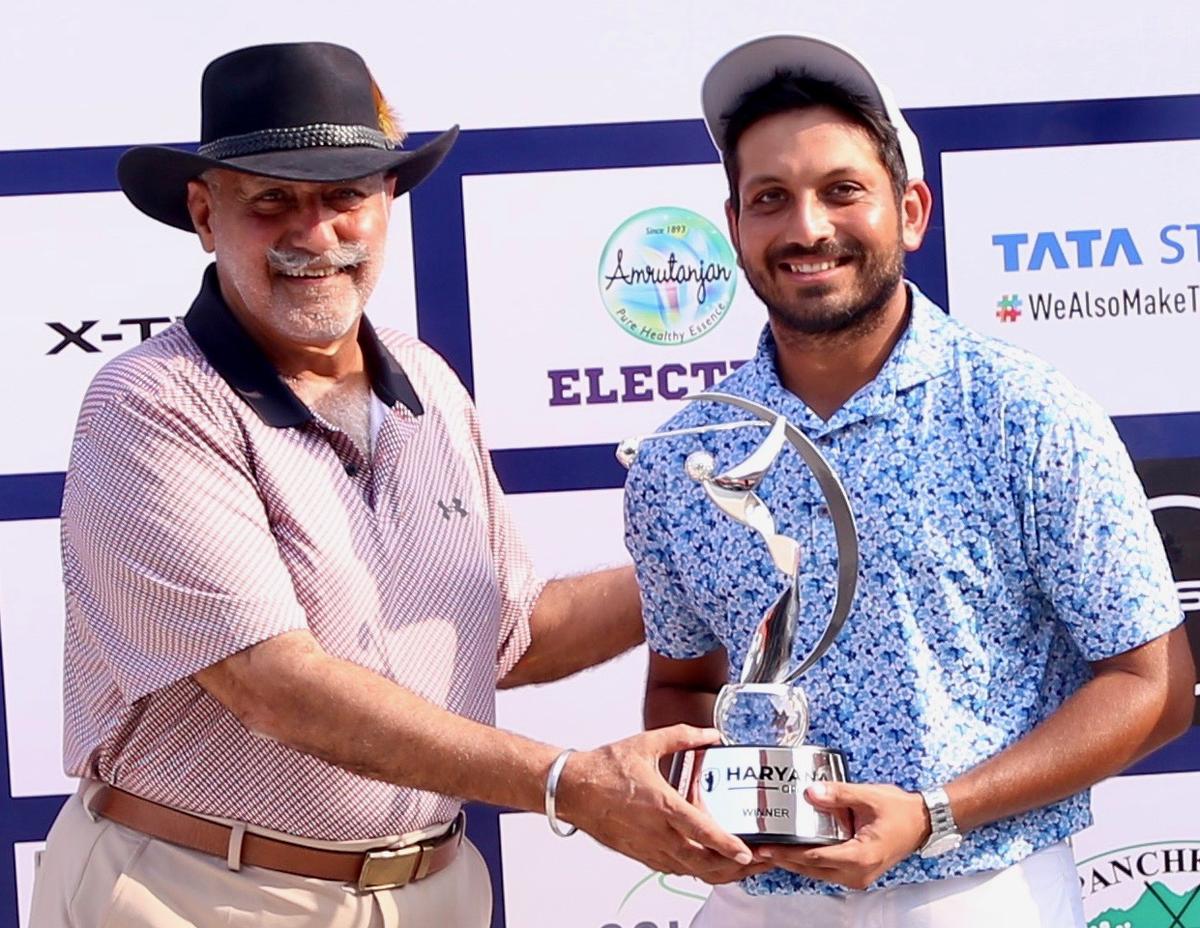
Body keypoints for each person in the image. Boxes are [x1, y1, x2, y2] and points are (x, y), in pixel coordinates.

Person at [29, 42, 759, 928]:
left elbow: (508, 636)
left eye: (345, 197)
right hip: (202, 894)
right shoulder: (153, 402)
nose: (315, 234)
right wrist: (567, 784)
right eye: (272, 200)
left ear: (387, 204)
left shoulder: (427, 384)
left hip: (429, 895)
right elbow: (275, 684)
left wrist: (720, 571)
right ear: (202, 212)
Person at [624, 34, 1196, 927]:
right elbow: (686, 687)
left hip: (980, 896)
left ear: (912, 211)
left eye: (841, 190)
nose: (806, 227)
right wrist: (692, 796)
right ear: (734, 229)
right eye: (769, 198)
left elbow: (1152, 686)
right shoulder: (682, 453)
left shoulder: (1025, 413)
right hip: (753, 905)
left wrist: (937, 814)